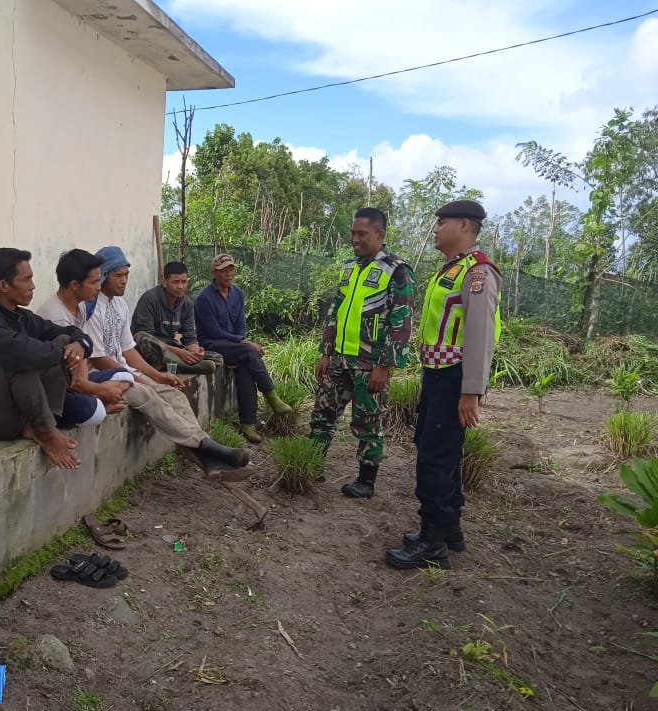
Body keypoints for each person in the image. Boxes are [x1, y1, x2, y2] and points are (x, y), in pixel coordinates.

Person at [386, 200, 502, 570]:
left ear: (464, 225)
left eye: (443, 222)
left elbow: (480, 335)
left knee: (434, 460)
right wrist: (428, 380)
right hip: (439, 376)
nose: (435, 229)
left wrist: (471, 392)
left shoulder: (478, 272)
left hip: (455, 379)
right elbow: (437, 331)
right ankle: (450, 529)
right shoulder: (450, 270)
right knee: (440, 452)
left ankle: (432, 543)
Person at [82, 246, 252, 473]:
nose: (124, 281)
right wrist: (140, 379)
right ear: (103, 275)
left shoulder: (120, 305)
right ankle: (208, 448)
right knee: (149, 396)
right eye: (118, 275)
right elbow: (100, 359)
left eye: (126, 275)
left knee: (174, 395)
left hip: (125, 371)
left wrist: (157, 375)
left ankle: (206, 453)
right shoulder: (91, 308)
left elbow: (128, 350)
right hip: (103, 376)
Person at [0, 248, 99, 470]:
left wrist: (79, 344)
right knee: (21, 361)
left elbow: (71, 332)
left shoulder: (21, 315)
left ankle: (44, 424)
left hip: (13, 414)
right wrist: (63, 349)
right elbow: (21, 355)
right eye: (27, 279)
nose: (33, 286)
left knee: (61, 339)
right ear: (4, 285)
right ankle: (46, 431)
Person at [310, 208, 414, 498]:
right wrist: (326, 352)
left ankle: (366, 481)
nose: (355, 239)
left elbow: (401, 321)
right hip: (339, 360)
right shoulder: (349, 267)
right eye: (353, 233)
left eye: (362, 234)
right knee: (321, 415)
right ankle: (311, 465)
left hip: (370, 364)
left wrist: (385, 366)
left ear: (380, 234)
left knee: (368, 422)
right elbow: (335, 311)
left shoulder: (397, 270)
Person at [194, 253, 292, 444]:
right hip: (211, 345)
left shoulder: (237, 293)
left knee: (246, 366)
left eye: (231, 269)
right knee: (249, 352)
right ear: (214, 273)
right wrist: (244, 342)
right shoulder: (203, 298)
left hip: (234, 345)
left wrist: (241, 340)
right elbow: (214, 331)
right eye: (224, 270)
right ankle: (272, 397)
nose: (229, 273)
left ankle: (247, 424)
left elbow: (240, 325)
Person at [34, 248, 135, 414]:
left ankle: (98, 400)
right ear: (74, 285)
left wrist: (90, 386)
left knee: (125, 376)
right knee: (91, 410)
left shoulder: (81, 306)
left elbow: (81, 362)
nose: (99, 287)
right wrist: (102, 391)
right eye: (94, 282)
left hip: (78, 379)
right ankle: (101, 405)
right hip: (57, 388)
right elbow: (72, 382)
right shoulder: (56, 318)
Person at [131, 261, 219, 375]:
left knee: (217, 358)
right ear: (165, 282)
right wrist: (178, 352)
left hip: (171, 347)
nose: (181, 286)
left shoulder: (186, 304)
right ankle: (183, 365)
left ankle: (170, 365)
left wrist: (196, 353)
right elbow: (144, 336)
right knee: (141, 337)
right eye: (176, 282)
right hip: (151, 348)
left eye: (184, 282)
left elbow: (190, 338)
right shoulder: (150, 299)